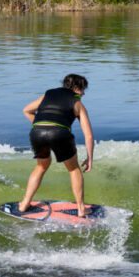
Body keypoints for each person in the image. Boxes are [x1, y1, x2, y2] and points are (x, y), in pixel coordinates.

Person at [19, 73, 95, 217]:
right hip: (60, 134)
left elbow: (26, 110)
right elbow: (89, 135)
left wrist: (42, 125)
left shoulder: (48, 94)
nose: (84, 93)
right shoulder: (77, 102)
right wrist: (90, 158)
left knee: (41, 166)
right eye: (83, 89)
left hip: (37, 132)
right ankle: (81, 209)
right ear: (77, 88)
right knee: (73, 169)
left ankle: (24, 204)